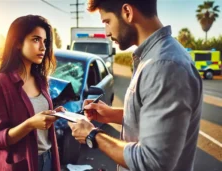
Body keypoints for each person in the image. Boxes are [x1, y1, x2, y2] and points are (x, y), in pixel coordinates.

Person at [68, 0, 203, 171]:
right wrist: (113, 115)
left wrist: (92, 135)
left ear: (127, 12)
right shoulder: (152, 57)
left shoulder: (164, 65)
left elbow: (152, 162)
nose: (107, 32)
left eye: (107, 21)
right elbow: (155, 118)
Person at [0, 15, 64, 171]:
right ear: (17, 43)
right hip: (21, 165)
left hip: (47, 158)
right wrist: (29, 124)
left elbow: (38, 116)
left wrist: (54, 114)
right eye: (36, 40)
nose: (43, 47)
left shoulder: (41, 80)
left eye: (45, 41)